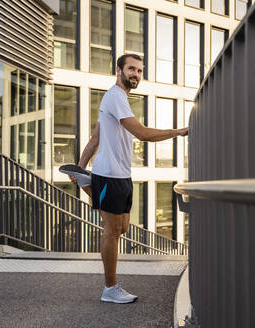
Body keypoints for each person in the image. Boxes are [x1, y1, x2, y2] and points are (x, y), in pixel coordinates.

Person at [66, 54, 188, 304]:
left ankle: (87, 182)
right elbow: (142, 134)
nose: (136, 74)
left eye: (140, 71)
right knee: (111, 231)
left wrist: (79, 167)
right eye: (132, 68)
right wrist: (178, 132)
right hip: (108, 174)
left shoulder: (118, 99)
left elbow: (95, 138)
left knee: (122, 228)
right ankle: (110, 289)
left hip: (122, 175)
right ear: (118, 69)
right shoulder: (115, 96)